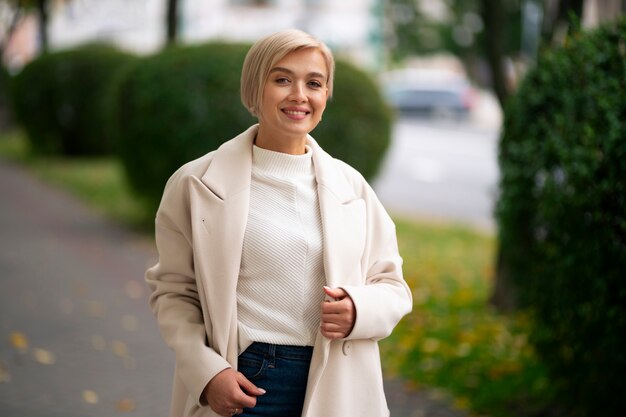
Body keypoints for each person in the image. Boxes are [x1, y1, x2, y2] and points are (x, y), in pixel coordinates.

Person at [146, 29, 412, 417]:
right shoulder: (195, 183)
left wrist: (359, 309)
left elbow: (393, 287)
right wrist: (207, 373)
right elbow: (173, 293)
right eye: (282, 79)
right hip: (244, 380)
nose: (299, 95)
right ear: (254, 91)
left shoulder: (352, 188)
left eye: (314, 83)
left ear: (325, 98)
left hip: (338, 378)